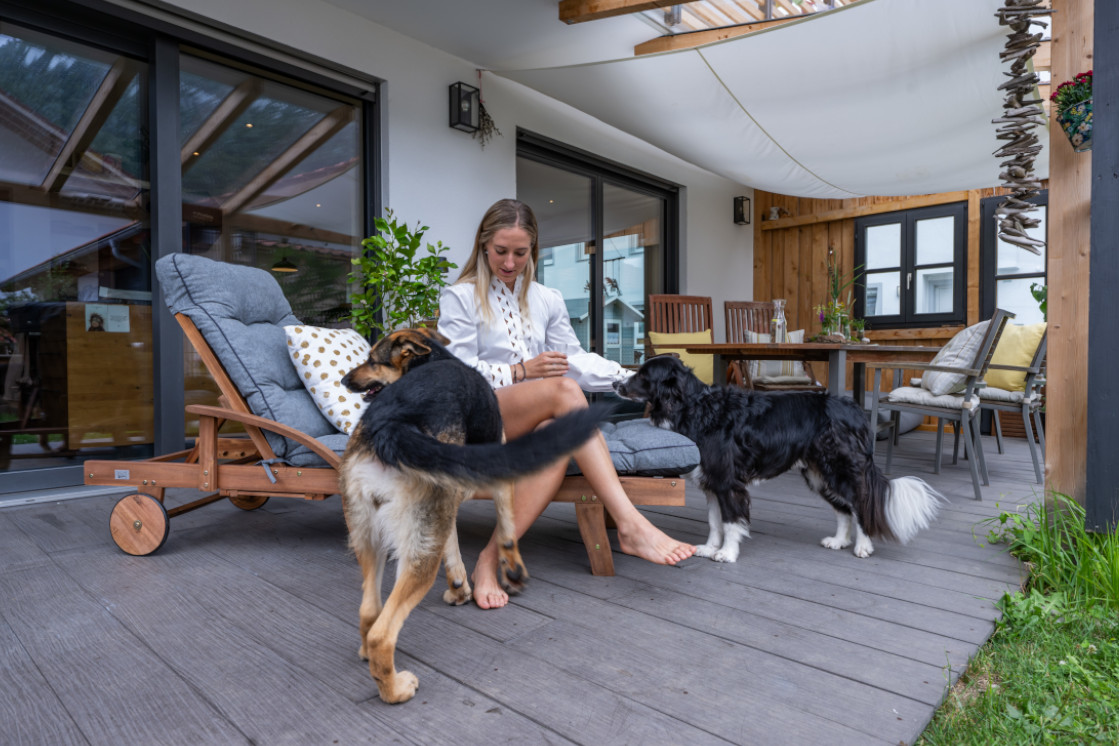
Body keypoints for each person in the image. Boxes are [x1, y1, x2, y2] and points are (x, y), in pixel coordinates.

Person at [438, 198, 695, 609]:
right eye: (500, 251)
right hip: (477, 418)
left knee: (556, 431)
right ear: (484, 246)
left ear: (533, 250)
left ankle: (489, 557)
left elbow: (572, 360)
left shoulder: (547, 298)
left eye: (520, 253)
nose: (509, 262)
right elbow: (456, 376)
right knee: (562, 391)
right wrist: (522, 371)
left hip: (530, 421)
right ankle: (629, 524)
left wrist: (627, 380)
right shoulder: (461, 297)